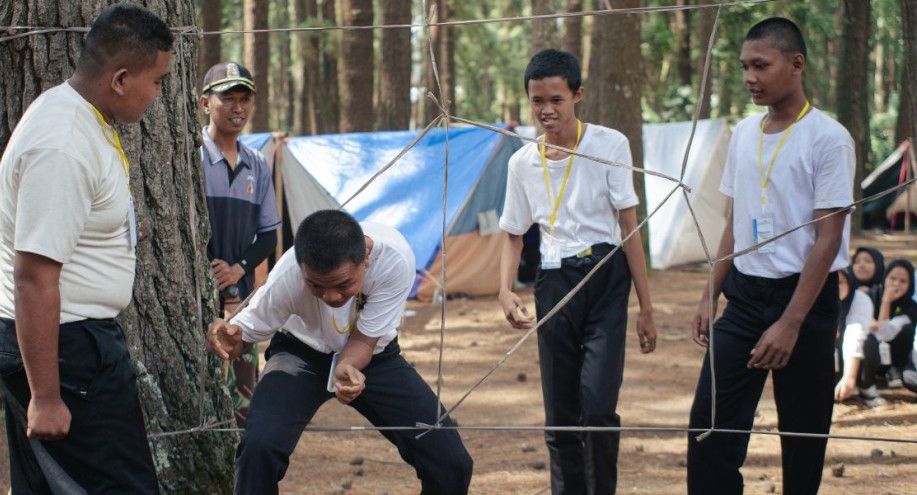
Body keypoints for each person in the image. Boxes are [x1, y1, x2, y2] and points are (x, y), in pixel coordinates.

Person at [0, 4, 172, 493]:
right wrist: (46, 396)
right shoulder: (63, 145)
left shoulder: (80, 115)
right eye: (156, 81)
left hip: (64, 340)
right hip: (64, 349)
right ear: (121, 79)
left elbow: (70, 221)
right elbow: (34, 276)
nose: (159, 94)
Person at [688, 17, 854, 495]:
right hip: (744, 298)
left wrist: (791, 322)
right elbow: (735, 222)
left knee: (803, 434)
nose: (749, 77)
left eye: (761, 66)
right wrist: (710, 294)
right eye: (745, 67)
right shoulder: (743, 132)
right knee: (709, 426)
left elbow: (827, 238)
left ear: (796, 64)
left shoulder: (829, 138)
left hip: (805, 299)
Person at [206, 210, 473, 494]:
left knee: (450, 462)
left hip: (374, 355)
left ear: (365, 260)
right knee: (259, 448)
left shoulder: (394, 261)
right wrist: (227, 340)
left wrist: (347, 366)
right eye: (315, 285)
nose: (331, 296)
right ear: (302, 268)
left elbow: (364, 342)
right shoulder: (288, 274)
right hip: (300, 351)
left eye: (343, 284)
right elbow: (243, 336)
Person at [497, 48, 658, 495]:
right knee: (561, 412)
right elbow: (513, 234)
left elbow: (629, 228)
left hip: (605, 276)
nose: (546, 110)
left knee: (599, 407)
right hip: (554, 282)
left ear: (578, 95)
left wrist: (646, 308)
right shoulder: (521, 163)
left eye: (556, 99)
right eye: (537, 101)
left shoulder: (609, 145)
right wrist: (505, 289)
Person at [200, 61, 280, 426]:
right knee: (198, 394)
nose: (238, 108)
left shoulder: (257, 164)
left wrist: (237, 270)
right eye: (228, 98)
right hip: (197, 297)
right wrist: (216, 273)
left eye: (245, 99)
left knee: (244, 399)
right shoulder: (191, 156)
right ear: (205, 103)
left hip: (242, 304)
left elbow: (268, 235)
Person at [861, 259, 917, 394]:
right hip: (869, 354)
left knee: (907, 330)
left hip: (892, 354)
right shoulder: (871, 295)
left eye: (903, 281)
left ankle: (894, 370)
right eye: (892, 278)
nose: (896, 284)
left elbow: (883, 334)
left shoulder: (910, 307)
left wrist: (886, 301)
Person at [833, 269, 878, 406]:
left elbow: (855, 334)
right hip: (829, 359)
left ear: (849, 282)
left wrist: (850, 377)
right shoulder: (815, 300)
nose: (835, 288)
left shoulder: (859, 300)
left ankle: (864, 385)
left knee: (868, 342)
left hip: (852, 361)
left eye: (840, 283)